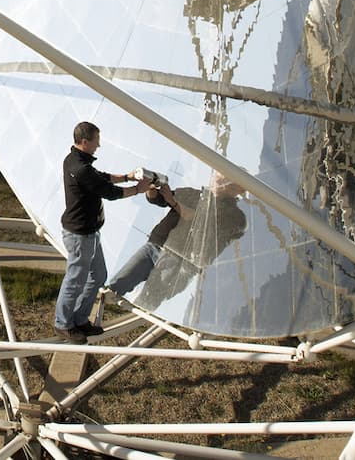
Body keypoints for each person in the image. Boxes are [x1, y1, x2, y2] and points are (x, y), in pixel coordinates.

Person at [56, 121, 149, 342]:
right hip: (79, 235)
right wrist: (138, 189)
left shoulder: (78, 161)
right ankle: (63, 324)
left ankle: (79, 319)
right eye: (97, 140)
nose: (99, 145)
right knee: (75, 280)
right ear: (85, 142)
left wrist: (127, 177)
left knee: (98, 276)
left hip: (90, 233)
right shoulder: (79, 168)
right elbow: (110, 192)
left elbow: (101, 177)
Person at [101, 177, 246, 313]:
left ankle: (134, 329)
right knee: (117, 285)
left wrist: (174, 202)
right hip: (155, 246)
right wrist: (152, 187)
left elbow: (200, 219)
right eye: (217, 175)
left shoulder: (235, 215)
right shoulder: (191, 193)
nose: (218, 180)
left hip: (181, 260)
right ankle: (95, 312)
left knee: (147, 301)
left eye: (225, 179)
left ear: (238, 189)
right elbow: (158, 199)